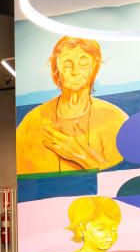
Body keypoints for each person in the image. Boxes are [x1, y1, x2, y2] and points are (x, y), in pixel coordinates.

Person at [15, 36, 128, 174]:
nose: (75, 71)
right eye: (67, 65)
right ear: (56, 70)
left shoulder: (115, 119)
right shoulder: (31, 123)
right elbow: (24, 179)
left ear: (94, 68)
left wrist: (82, 156)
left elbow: (121, 176)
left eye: (83, 64)